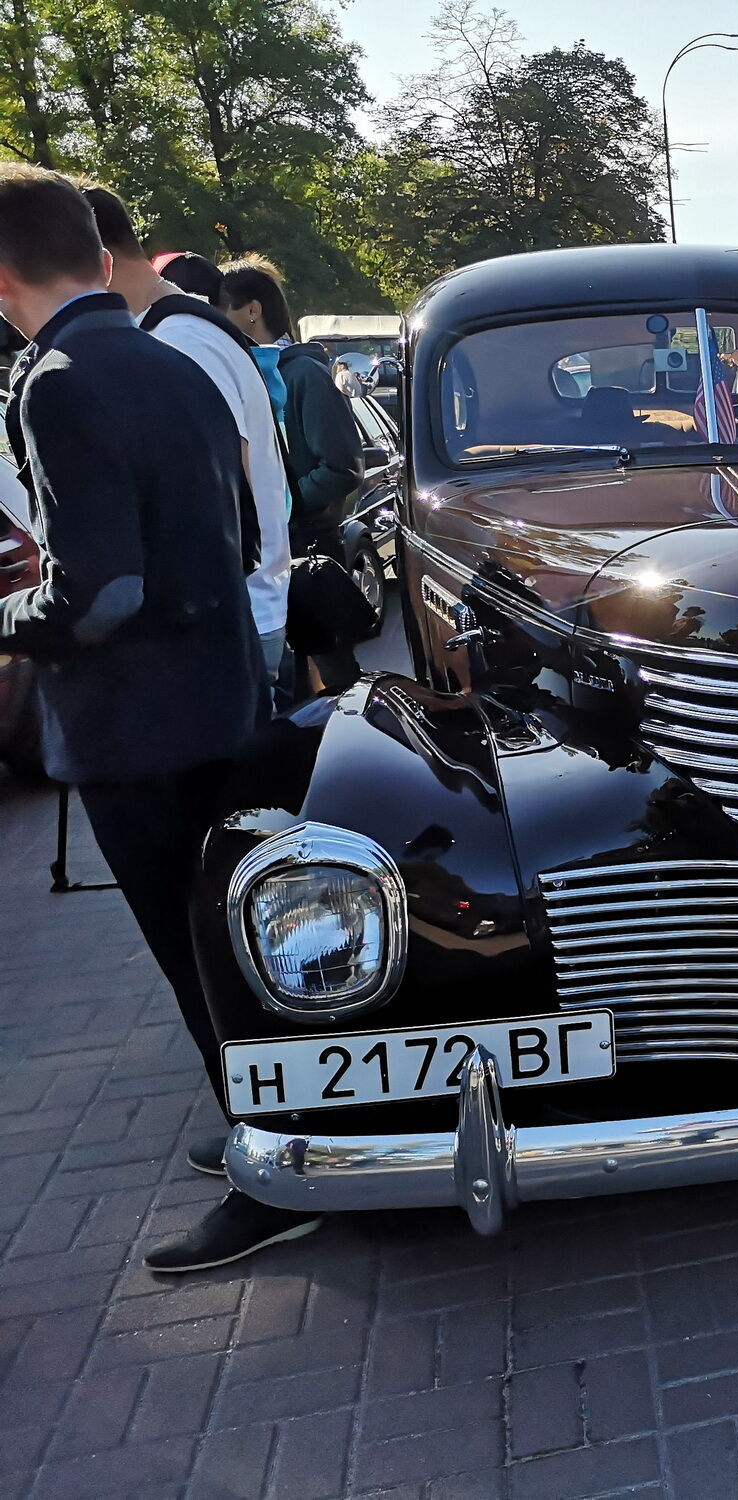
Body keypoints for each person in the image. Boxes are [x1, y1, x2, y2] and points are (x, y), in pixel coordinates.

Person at [0, 165, 321, 1270]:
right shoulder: (178, 357)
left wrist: (11, 615)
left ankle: (272, 1165)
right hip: (222, 697)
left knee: (195, 958)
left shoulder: (56, 381)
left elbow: (99, 597)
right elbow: (234, 543)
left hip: (135, 728)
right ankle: (277, 1130)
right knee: (234, 939)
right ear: (94, 254)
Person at [85, 189, 292, 700]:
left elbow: (217, 482)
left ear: (99, 261)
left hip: (226, 621)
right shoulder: (179, 329)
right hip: (230, 614)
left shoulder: (180, 340)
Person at [217, 255, 364, 694]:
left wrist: (283, 506)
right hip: (279, 549)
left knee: (335, 683)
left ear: (252, 310)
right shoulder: (255, 373)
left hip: (310, 547)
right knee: (297, 685)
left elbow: (342, 467)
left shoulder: (303, 374)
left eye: (219, 310)